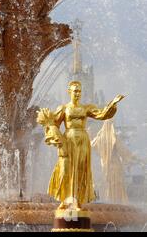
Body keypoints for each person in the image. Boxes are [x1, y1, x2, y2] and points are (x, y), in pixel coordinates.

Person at [37, 81, 124, 210]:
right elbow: (53, 123)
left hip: (83, 140)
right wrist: (54, 134)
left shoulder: (86, 108)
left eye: (79, 91)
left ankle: (76, 200)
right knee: (65, 169)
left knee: (80, 169)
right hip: (68, 141)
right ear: (69, 92)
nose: (77, 94)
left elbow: (102, 114)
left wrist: (113, 104)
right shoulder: (64, 108)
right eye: (75, 91)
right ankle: (65, 199)